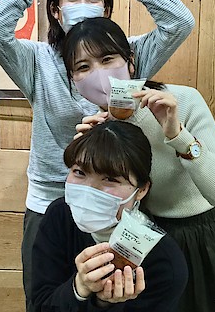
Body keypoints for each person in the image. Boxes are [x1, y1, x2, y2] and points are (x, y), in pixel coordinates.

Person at [0, 0, 194, 310]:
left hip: (115, 203)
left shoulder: (126, 57)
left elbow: (179, 22)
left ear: (106, 10)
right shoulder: (38, 61)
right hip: (52, 198)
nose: (83, 6)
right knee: (49, 299)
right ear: (55, 10)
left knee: (118, 298)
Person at [62, 17, 215, 312]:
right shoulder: (97, 127)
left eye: (107, 59)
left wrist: (178, 135)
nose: (98, 74)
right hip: (145, 239)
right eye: (83, 67)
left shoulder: (181, 102)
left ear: (130, 61)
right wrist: (89, 163)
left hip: (206, 236)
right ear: (73, 79)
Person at [31, 120, 189, 311]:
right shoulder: (59, 216)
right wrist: (79, 288)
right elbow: (40, 304)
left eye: (110, 179)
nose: (89, 190)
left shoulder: (164, 262)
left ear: (141, 189)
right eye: (79, 172)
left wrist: (105, 303)